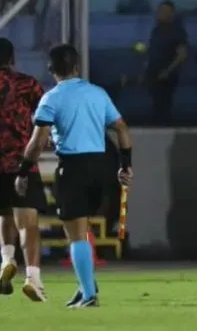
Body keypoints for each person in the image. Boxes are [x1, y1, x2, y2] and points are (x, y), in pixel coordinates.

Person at [16, 44, 133, 308]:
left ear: (51, 70)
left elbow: (37, 142)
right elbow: (121, 128)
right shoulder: (98, 93)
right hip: (102, 167)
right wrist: (125, 165)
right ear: (77, 67)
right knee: (83, 229)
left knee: (76, 234)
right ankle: (84, 288)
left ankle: (90, 294)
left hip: (73, 167)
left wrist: (24, 171)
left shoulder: (51, 98)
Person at [0, 38, 46, 300]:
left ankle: (7, 259)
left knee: (4, 214)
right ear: (12, 58)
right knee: (28, 222)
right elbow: (44, 117)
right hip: (21, 162)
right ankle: (33, 278)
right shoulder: (27, 84)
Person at [145, 0, 188, 125]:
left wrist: (168, 71)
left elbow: (182, 55)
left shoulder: (177, 32)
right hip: (153, 73)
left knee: (163, 104)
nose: (161, 14)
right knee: (155, 104)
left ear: (171, 13)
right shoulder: (156, 30)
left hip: (167, 75)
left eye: (165, 11)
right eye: (160, 11)